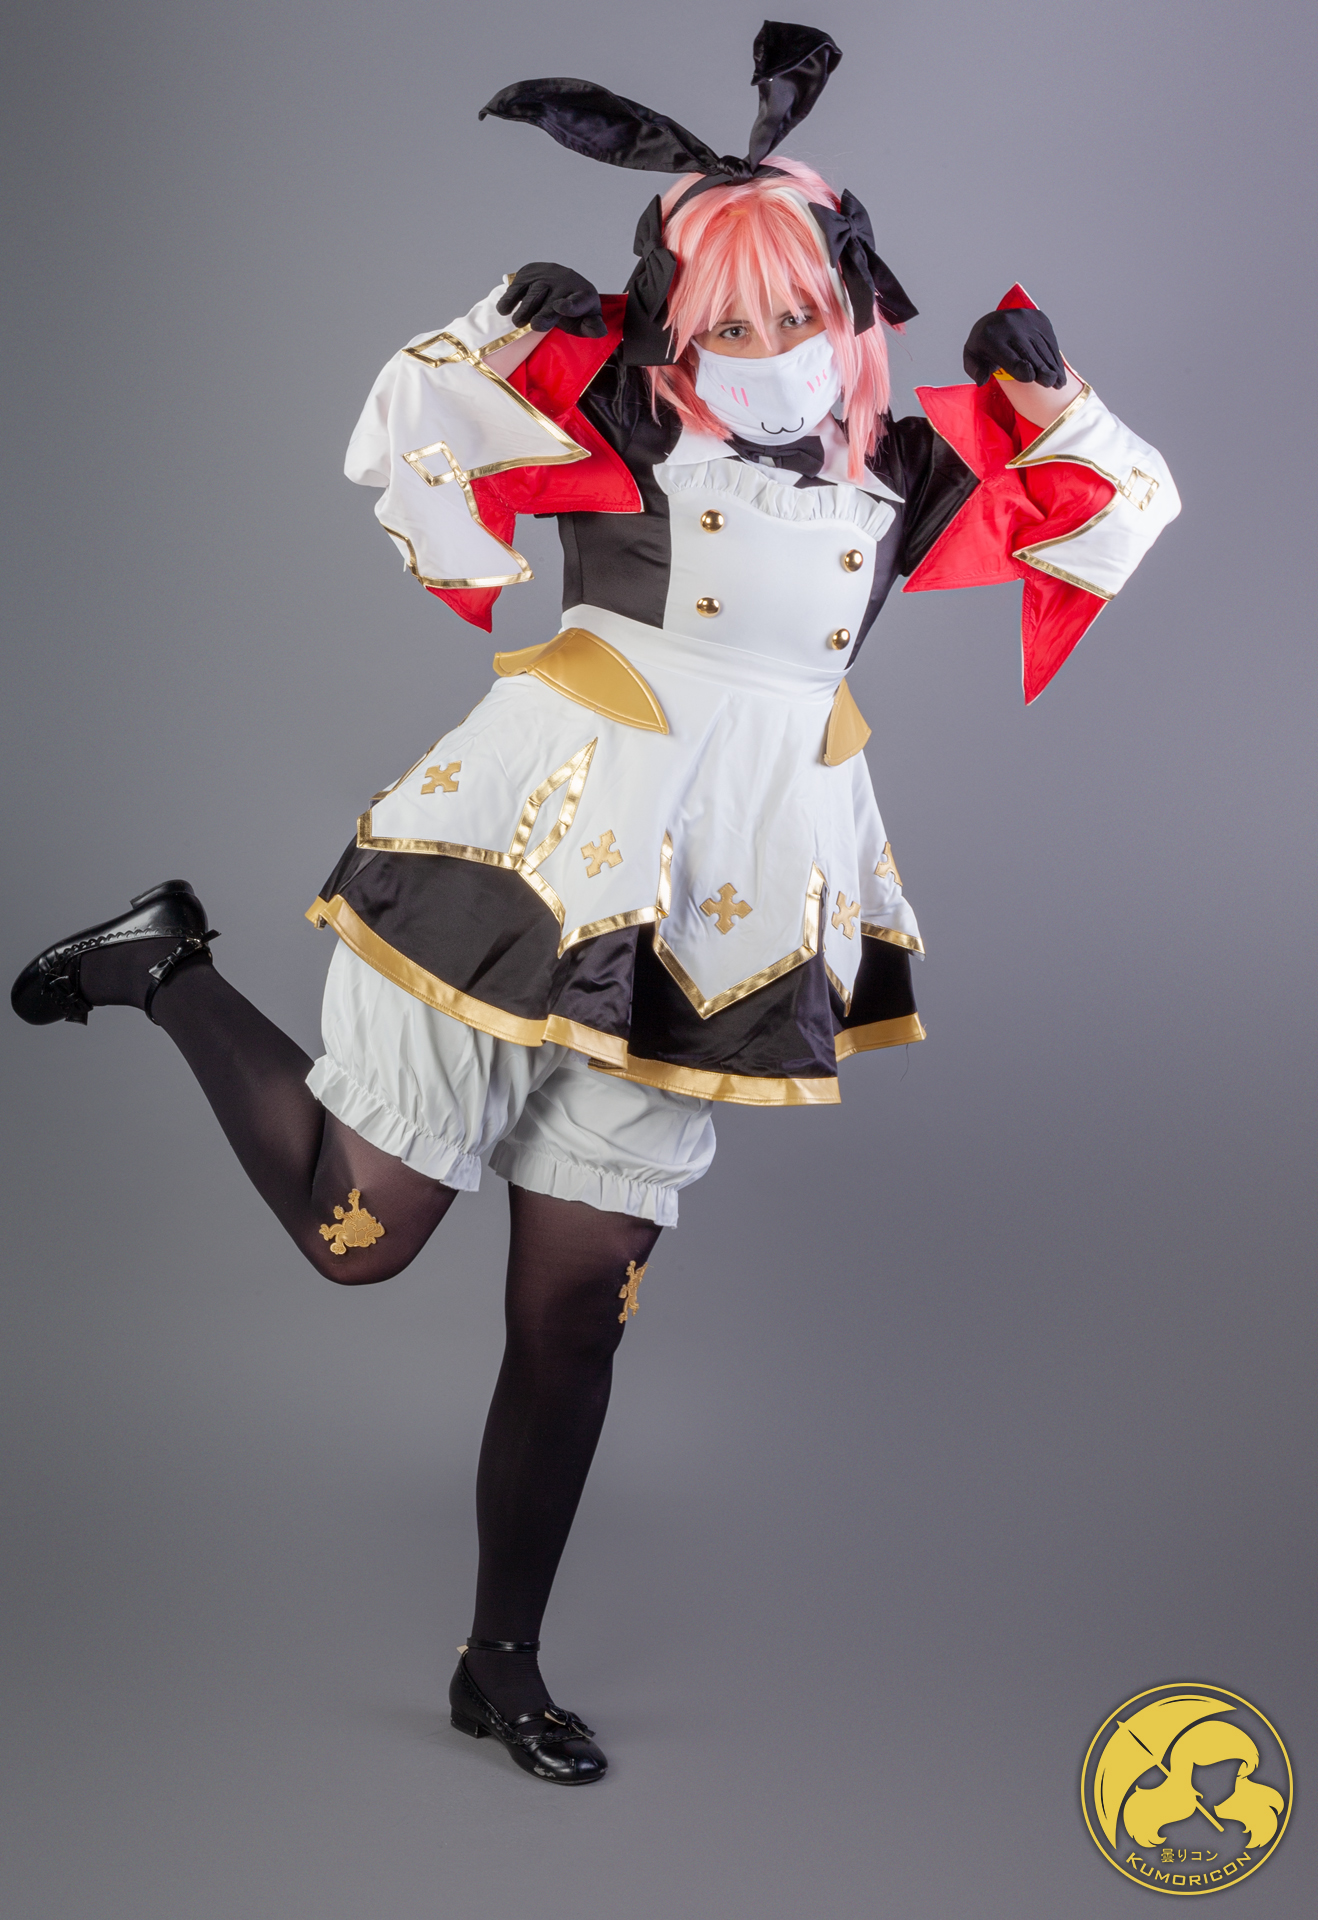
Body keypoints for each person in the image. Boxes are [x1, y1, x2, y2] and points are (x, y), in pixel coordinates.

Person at [11, 24, 1179, 1785]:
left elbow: (1111, 517)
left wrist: (1058, 401)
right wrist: (494, 330)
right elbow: (403, 439)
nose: (767, 353)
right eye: (729, 321)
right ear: (671, 320)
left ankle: (500, 1665)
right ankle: (165, 967)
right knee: (361, 1238)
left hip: (724, 909)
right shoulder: (616, 413)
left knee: (570, 1317)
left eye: (797, 315)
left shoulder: (904, 468)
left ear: (852, 306)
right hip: (531, 855)